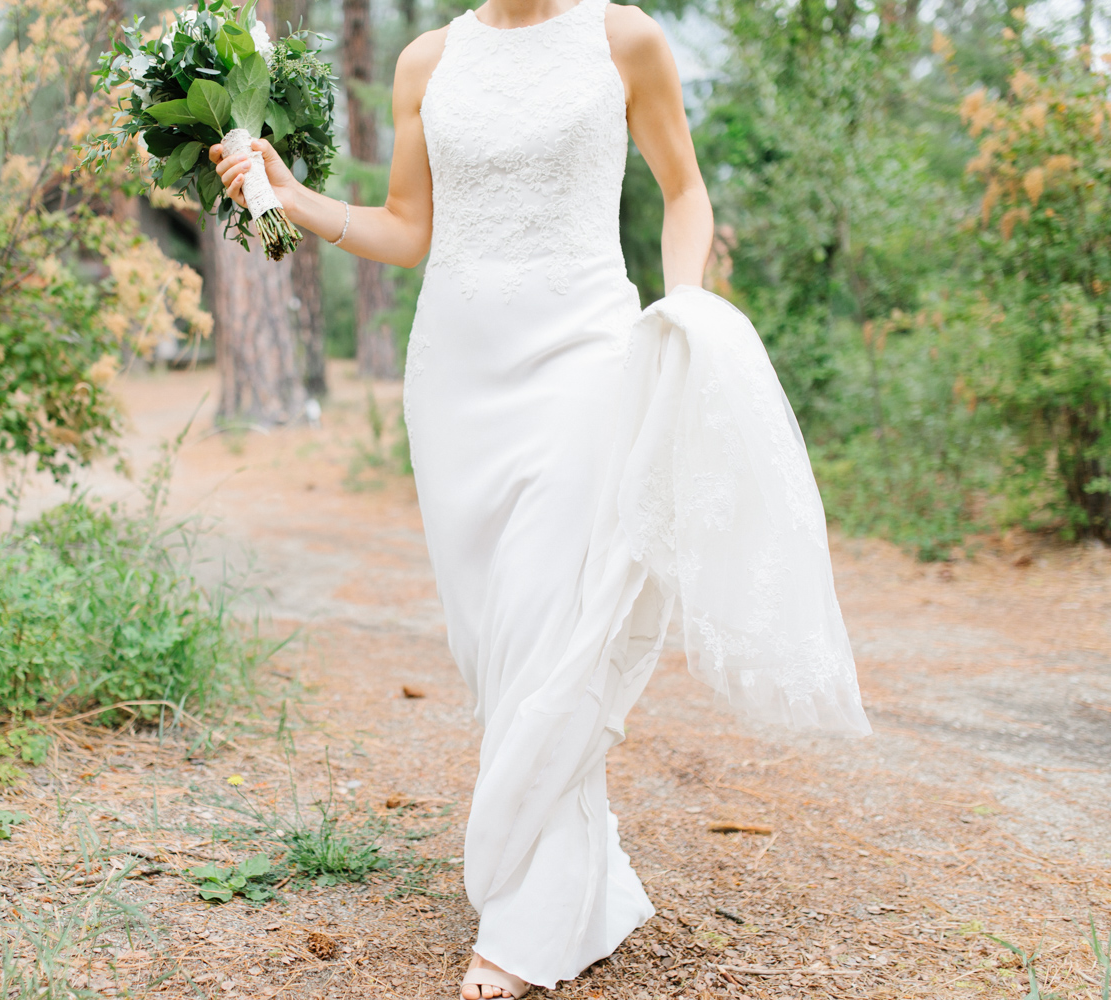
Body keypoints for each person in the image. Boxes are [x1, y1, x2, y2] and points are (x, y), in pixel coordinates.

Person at [211, 1, 869, 995]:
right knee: (494, 644)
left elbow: (686, 192)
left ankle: (520, 929)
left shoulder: (625, 39)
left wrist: (684, 303)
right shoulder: (427, 60)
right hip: (456, 377)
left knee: (545, 620)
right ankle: (581, 884)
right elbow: (407, 230)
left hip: (584, 358)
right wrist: (290, 195)